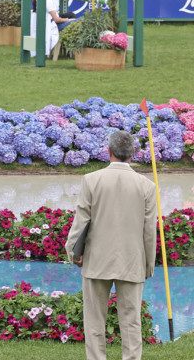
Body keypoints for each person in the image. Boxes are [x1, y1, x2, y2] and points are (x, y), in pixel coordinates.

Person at [65, 130, 157, 360]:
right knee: (131, 322)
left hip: (96, 259)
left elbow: (81, 222)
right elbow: (148, 232)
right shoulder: (146, 186)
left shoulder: (91, 180)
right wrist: (148, 264)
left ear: (109, 152)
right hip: (132, 260)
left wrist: (73, 253)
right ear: (132, 153)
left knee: (95, 321)